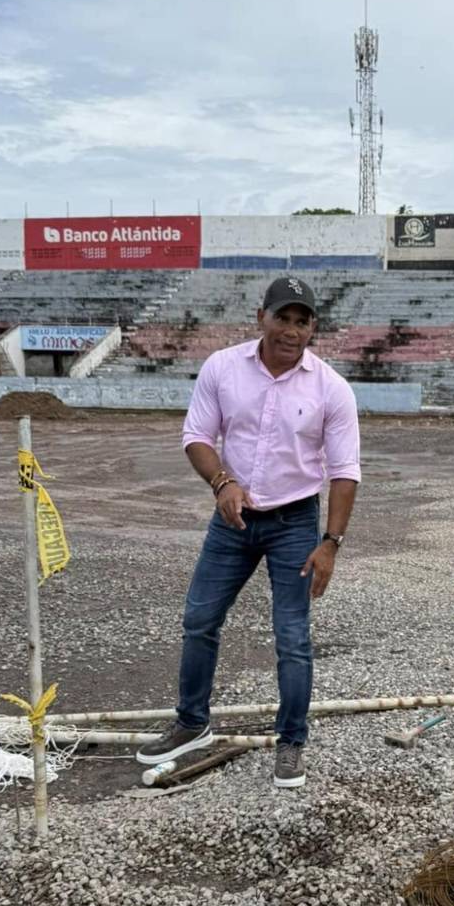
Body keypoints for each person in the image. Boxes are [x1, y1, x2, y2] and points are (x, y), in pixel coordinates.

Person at [138, 275, 361, 788]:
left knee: (292, 636)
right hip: (232, 517)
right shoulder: (223, 368)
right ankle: (192, 723)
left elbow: (345, 471)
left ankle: (291, 740)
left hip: (295, 524)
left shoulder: (331, 388)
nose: (290, 330)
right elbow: (197, 434)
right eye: (281, 317)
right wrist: (222, 483)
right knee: (199, 618)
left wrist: (331, 543)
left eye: (301, 321)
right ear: (261, 316)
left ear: (312, 329)